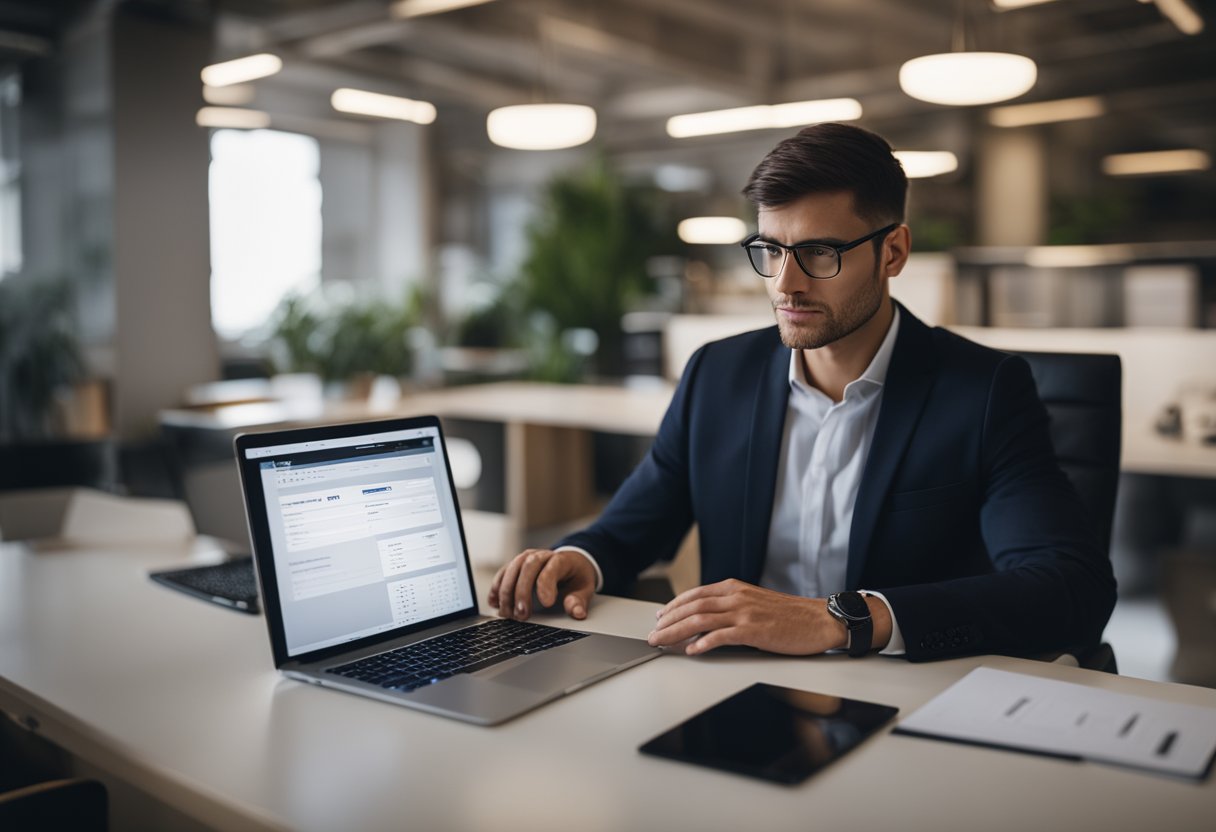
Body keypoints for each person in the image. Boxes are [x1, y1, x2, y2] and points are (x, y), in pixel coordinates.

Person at [488, 122, 1116, 661]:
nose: (787, 283)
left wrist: (841, 619)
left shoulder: (983, 392)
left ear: (893, 252)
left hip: (897, 696)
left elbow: (1072, 588)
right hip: (734, 686)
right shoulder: (717, 375)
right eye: (771, 250)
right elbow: (630, 528)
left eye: (819, 252)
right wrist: (579, 560)